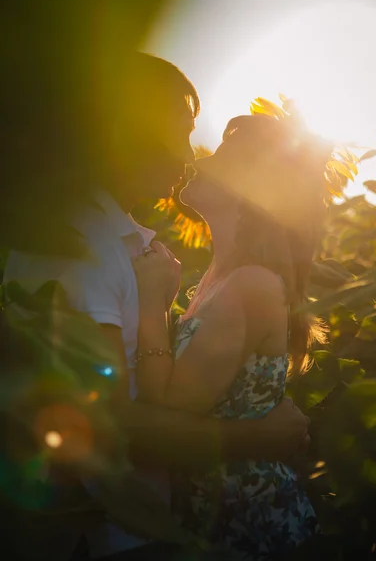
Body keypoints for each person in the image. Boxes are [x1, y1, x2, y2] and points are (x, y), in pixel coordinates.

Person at [3, 55, 310, 561]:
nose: (190, 157)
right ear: (134, 131)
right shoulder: (78, 244)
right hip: (114, 536)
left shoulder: (120, 244)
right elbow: (110, 423)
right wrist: (256, 437)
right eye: (182, 133)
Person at [131, 107, 329, 559]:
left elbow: (171, 400)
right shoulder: (224, 274)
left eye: (221, 155)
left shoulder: (252, 284)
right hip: (221, 521)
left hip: (254, 531)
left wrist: (148, 302)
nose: (201, 162)